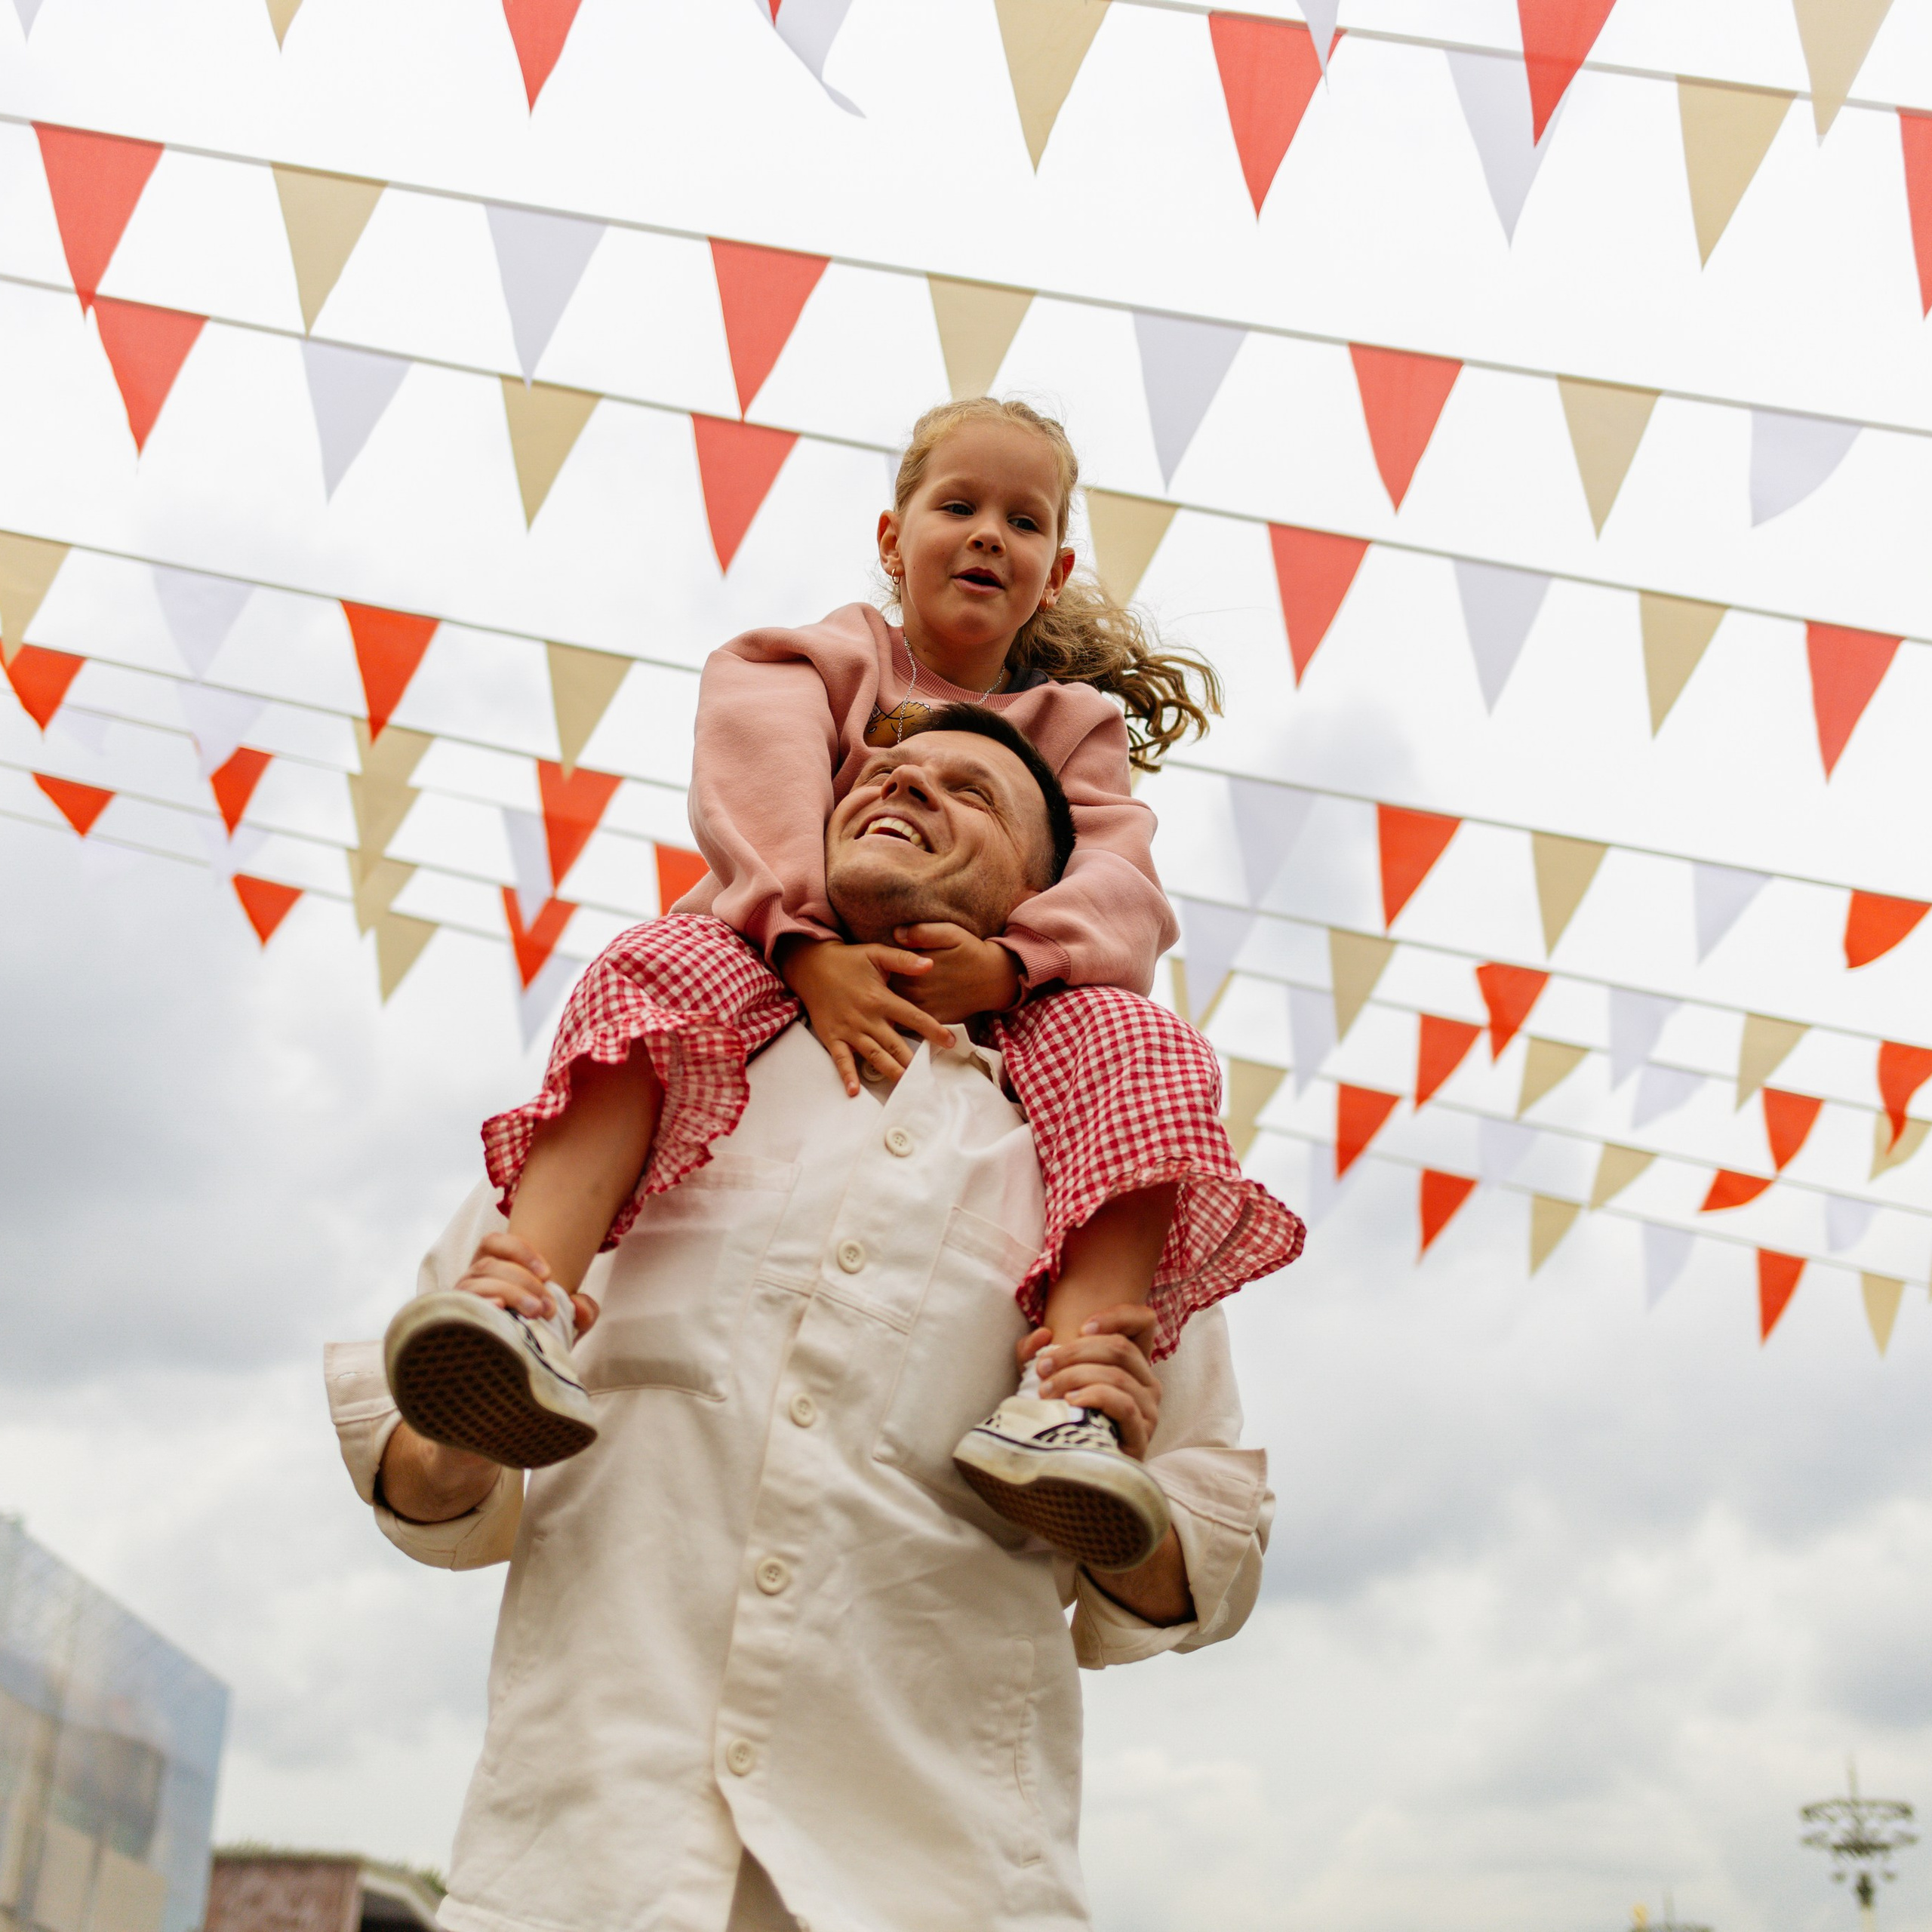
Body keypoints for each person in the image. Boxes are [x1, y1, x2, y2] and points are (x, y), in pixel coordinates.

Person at [328, 712, 1275, 1932]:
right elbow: (418, 1477)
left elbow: (1205, 1566)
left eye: (969, 790)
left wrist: (1130, 1504)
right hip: (587, 1868)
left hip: (934, 1883)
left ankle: (1068, 1432)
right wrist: (462, 1443)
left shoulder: (1100, 1180)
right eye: (884, 772)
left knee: (1088, 1434)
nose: (907, 786)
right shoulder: (645, 1083)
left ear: (1040, 899)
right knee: (499, 1333)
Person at [385, 396, 1302, 1571]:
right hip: (781, 945)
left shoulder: (1072, 727)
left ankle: (1074, 1401)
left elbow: (1120, 875)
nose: (986, 535)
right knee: (659, 966)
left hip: (1014, 994)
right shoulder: (831, 659)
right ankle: (526, 1301)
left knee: (1144, 1042)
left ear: (1055, 568)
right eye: (956, 505)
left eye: (1021, 521)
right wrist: (804, 944)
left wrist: (1015, 963)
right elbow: (753, 771)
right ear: (891, 533)